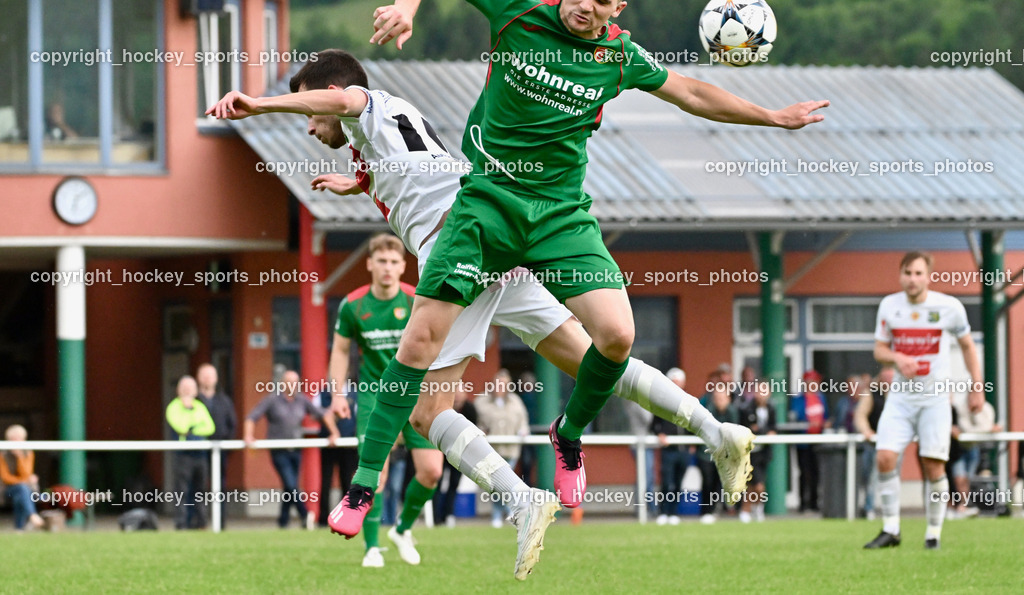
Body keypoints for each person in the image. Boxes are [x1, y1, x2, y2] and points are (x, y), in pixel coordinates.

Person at [208, 48, 757, 580]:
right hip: (493, 241)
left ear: (329, 93)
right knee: (594, 363)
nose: (309, 125)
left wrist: (258, 105)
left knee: (426, 413)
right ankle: (714, 428)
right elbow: (417, 167)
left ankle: (520, 501)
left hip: (462, 249)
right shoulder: (385, 128)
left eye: (309, 107)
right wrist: (360, 180)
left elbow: (343, 104)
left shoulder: (362, 104)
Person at [344, 0, 825, 533]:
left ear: (618, 7)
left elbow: (694, 93)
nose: (587, 6)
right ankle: (367, 490)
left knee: (617, 335)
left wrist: (773, 117)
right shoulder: (519, 7)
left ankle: (567, 434)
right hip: (487, 207)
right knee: (420, 354)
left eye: (603, 0)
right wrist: (406, 6)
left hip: (559, 216)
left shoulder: (620, 56)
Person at [328, 232, 443, 567]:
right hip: (372, 398)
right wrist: (337, 394)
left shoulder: (415, 300)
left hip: (417, 394)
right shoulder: (353, 305)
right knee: (375, 473)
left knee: (432, 471)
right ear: (370, 264)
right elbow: (339, 350)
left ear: (403, 265)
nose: (388, 268)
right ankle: (371, 548)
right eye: (381, 261)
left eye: (394, 262)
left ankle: (403, 529)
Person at [864, 251, 984, 550]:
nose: (912, 279)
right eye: (907, 272)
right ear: (900, 275)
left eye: (918, 273)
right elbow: (879, 350)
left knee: (933, 466)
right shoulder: (889, 306)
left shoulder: (949, 307)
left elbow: (968, 346)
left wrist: (977, 387)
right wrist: (897, 357)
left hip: (934, 400)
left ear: (929, 276)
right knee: (885, 457)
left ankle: (933, 534)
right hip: (900, 399)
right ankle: (891, 529)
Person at [243, 370, 341, 530]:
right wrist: (248, 436)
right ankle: (305, 514)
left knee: (290, 486)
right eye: (289, 382)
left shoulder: (302, 400)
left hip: (296, 449)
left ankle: (283, 521)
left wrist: (334, 432)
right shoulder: (272, 400)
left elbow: (322, 415)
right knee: (290, 483)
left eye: (295, 382)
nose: (292, 385)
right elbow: (251, 417)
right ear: (282, 383)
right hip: (278, 450)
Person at [474, 369, 530, 528]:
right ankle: (505, 513)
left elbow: (523, 421)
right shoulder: (481, 401)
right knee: (498, 486)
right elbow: (476, 423)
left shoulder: (516, 401)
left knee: (505, 485)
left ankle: (507, 513)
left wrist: (523, 431)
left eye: (504, 384)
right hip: (491, 451)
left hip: (511, 450)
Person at [165, 375, 216, 530]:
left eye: (190, 388)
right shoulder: (173, 407)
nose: (187, 391)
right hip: (183, 455)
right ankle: (181, 523)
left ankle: (200, 522)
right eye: (184, 388)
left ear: (195, 391)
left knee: (200, 490)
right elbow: (181, 427)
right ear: (178, 391)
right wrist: (193, 421)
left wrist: (191, 429)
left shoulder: (200, 406)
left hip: (200, 454)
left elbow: (210, 427)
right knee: (182, 490)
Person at [196, 363, 236, 527]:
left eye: (210, 376)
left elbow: (232, 424)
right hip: (197, 451)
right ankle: (198, 522)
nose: (207, 379)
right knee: (197, 487)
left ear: (216, 378)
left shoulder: (224, 401)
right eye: (204, 375)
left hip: (219, 451)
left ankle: (220, 522)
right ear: (199, 378)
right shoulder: (194, 400)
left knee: (219, 487)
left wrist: (227, 444)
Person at [854, 365, 895, 520]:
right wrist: (866, 431)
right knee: (870, 478)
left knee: (891, 477)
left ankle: (890, 510)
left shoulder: (900, 394)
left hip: (893, 444)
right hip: (873, 443)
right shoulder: (871, 393)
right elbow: (860, 415)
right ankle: (869, 508)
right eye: (886, 377)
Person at [433, 385, 477, 527]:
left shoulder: (470, 410)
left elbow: (472, 430)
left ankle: (449, 514)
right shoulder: (443, 407)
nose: (457, 395)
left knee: (454, 483)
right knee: (438, 484)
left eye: (460, 392)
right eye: (455, 392)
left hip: (459, 452)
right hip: (441, 450)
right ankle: (436, 517)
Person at [315, 383, 357, 529]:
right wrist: (333, 430)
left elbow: (359, 416)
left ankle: (346, 517)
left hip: (348, 445)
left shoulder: (355, 393)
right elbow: (318, 414)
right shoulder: (321, 394)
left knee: (347, 481)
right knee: (325, 481)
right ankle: (322, 519)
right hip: (328, 444)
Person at [651, 368, 689, 525]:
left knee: (679, 482)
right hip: (669, 450)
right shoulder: (661, 403)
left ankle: (674, 512)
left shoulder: (689, 401)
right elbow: (654, 425)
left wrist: (692, 443)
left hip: (684, 449)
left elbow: (693, 424)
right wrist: (660, 434)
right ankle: (663, 512)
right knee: (667, 482)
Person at [790, 370, 829, 513]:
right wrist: (807, 422)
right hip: (803, 441)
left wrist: (825, 423)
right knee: (804, 472)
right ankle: (803, 503)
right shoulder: (799, 399)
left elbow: (825, 416)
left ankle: (814, 502)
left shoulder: (821, 398)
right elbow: (795, 416)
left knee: (816, 472)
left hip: (817, 440)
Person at [699, 388, 739, 524]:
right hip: (707, 453)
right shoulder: (707, 412)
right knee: (708, 482)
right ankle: (706, 511)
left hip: (725, 455)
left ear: (728, 398)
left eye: (722, 398)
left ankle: (722, 509)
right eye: (716, 398)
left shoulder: (733, 412)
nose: (719, 401)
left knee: (721, 483)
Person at [739, 380, 776, 523]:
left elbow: (773, 427)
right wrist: (763, 431)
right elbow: (748, 428)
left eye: (765, 391)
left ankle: (757, 507)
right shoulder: (746, 409)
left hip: (764, 452)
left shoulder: (771, 409)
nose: (762, 395)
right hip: (749, 452)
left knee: (759, 485)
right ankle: (746, 510)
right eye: (760, 391)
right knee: (750, 483)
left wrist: (765, 431)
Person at [1, 425, 45, 531]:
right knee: (22, 488)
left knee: (20, 495)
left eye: (19, 439)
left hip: (24, 489)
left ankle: (19, 528)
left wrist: (20, 457)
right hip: (7, 489)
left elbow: (26, 473)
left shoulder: (28, 453)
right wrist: (23, 481)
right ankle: (33, 516)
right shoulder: (2, 454)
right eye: (14, 439)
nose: (16, 442)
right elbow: (5, 478)